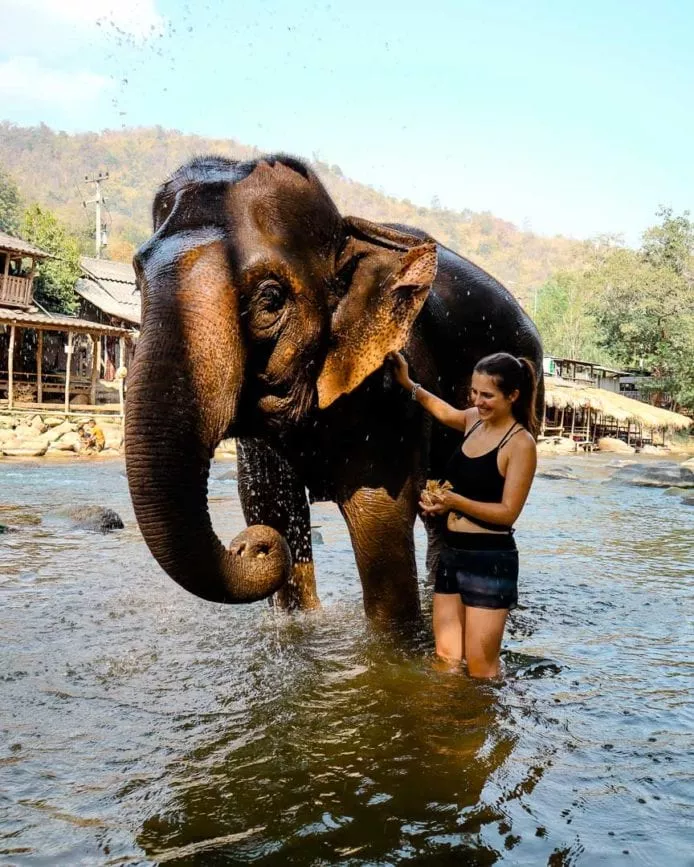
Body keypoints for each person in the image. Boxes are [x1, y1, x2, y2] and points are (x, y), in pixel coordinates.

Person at [389, 351, 538, 678]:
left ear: (512, 396)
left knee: (482, 669)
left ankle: (485, 724)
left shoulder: (520, 444)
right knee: (445, 658)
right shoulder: (473, 421)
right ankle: (448, 724)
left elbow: (507, 514)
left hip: (489, 561)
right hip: (452, 555)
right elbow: (444, 411)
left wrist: (454, 502)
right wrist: (408, 383)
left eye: (487, 395)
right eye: (474, 393)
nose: (478, 401)